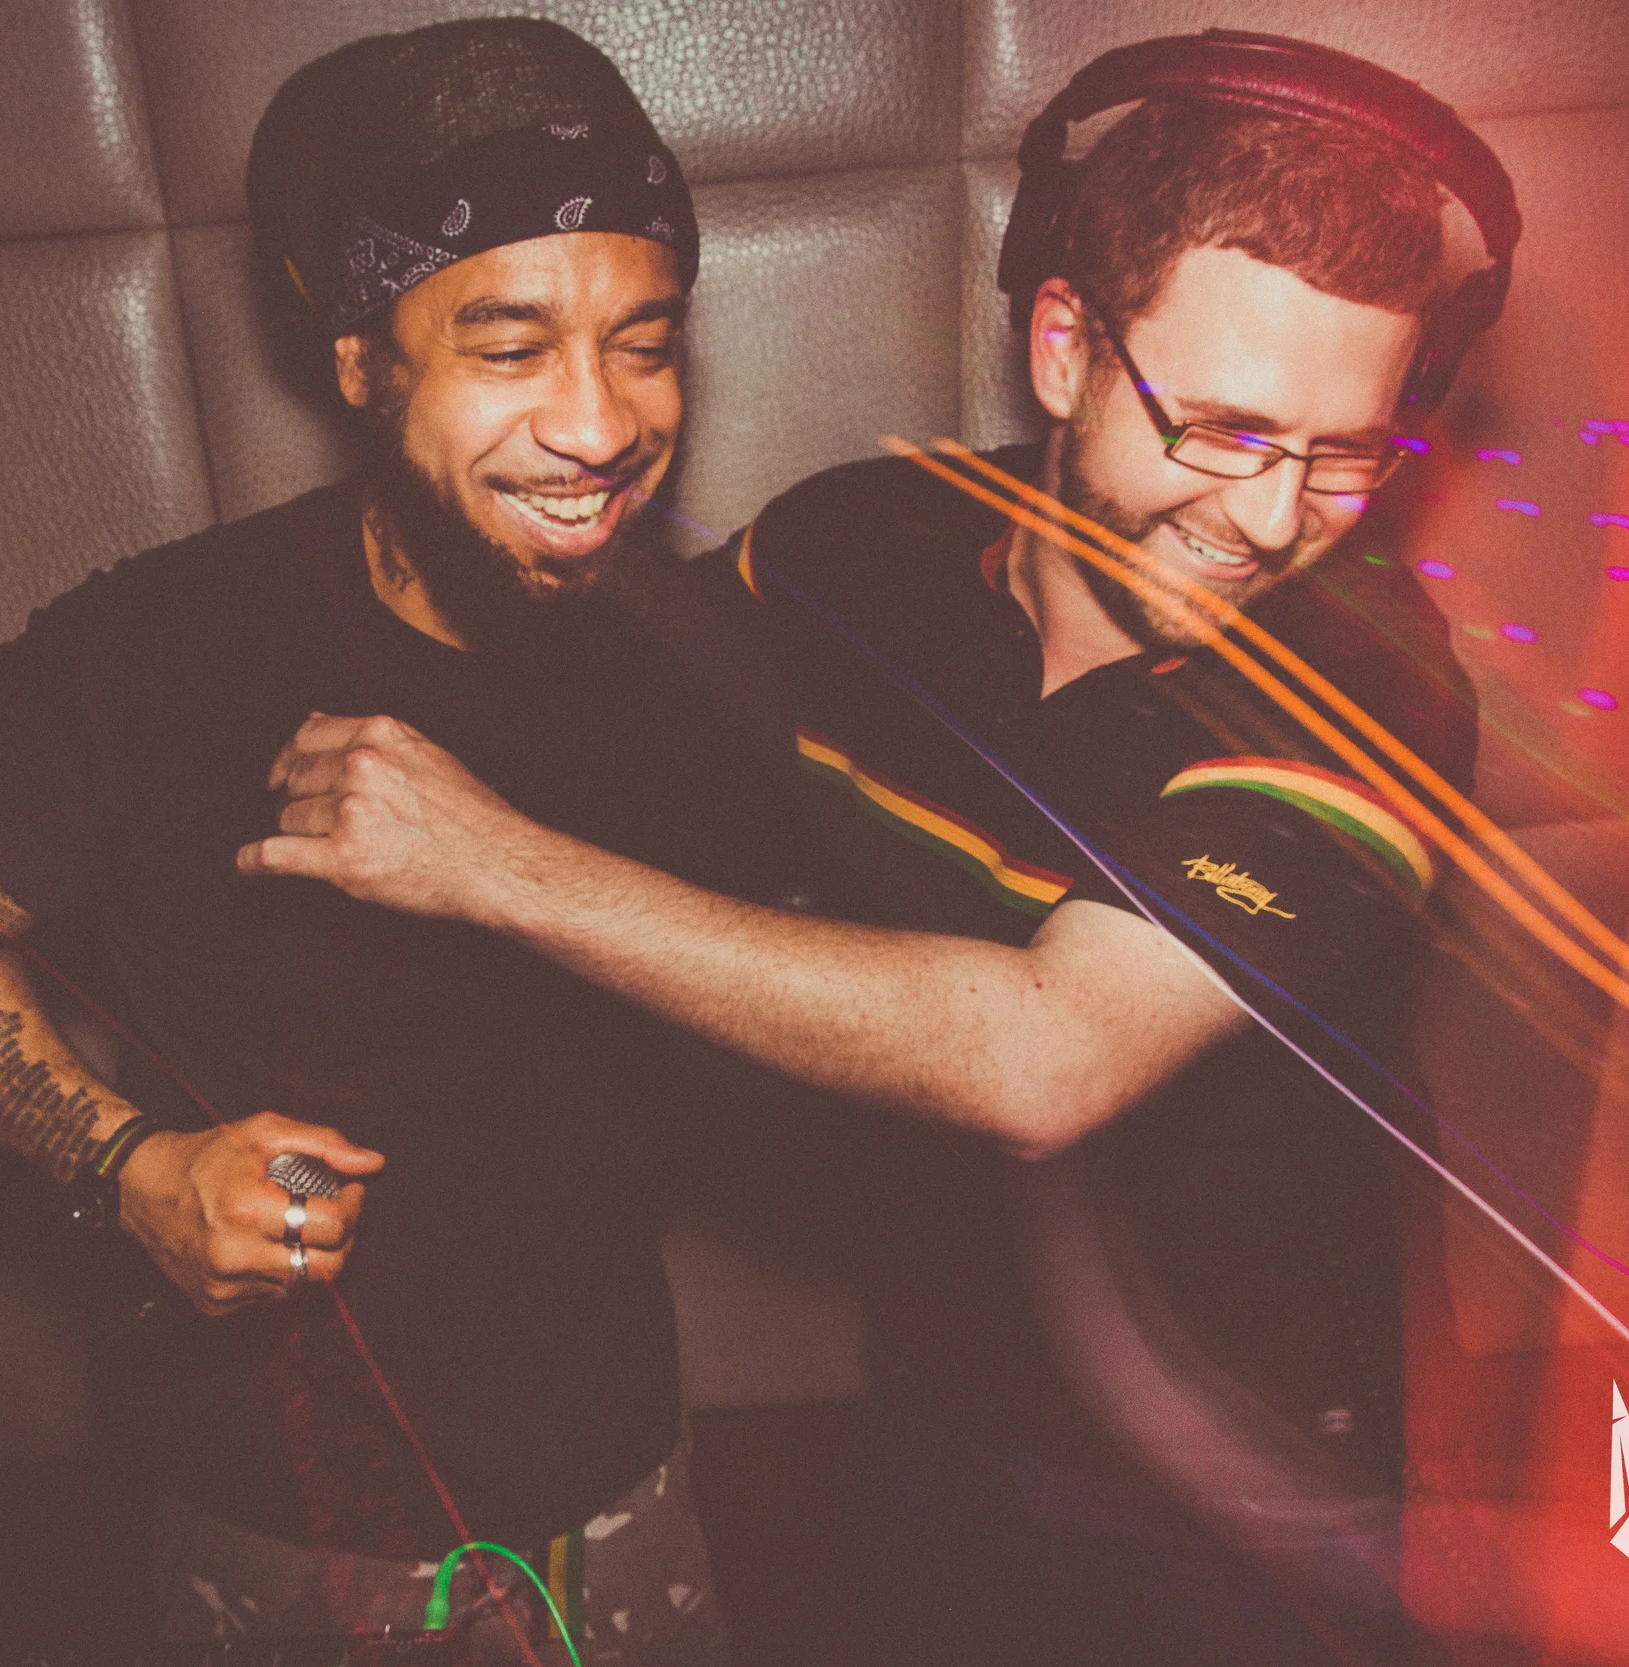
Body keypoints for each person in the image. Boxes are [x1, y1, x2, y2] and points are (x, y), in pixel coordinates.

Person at [240, 33, 1505, 1666]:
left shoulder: (1370, 685)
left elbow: (1044, 1056)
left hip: (1260, 1503)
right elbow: (613, 714)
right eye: (1218, 429)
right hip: (939, 1426)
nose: (1270, 518)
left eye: (1344, 454)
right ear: (1065, 345)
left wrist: (489, 864)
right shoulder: (856, 546)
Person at [0, 20, 801, 1664]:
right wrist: (128, 1168)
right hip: (275, 1521)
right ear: (361, 361)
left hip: (619, 1479)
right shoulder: (162, 650)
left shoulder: (712, 670)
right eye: (509, 348)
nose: (598, 423)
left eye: (644, 344)